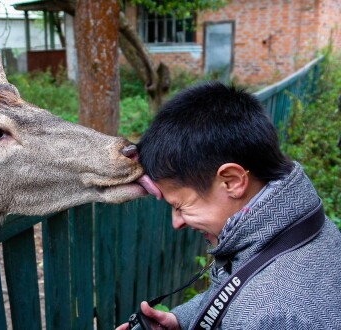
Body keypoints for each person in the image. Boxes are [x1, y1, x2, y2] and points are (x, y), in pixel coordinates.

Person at [117, 81, 341, 329]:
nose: (176, 222)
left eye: (179, 205)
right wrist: (180, 321)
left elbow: (255, 300)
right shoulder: (300, 223)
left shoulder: (271, 314)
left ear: (232, 181)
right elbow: (240, 284)